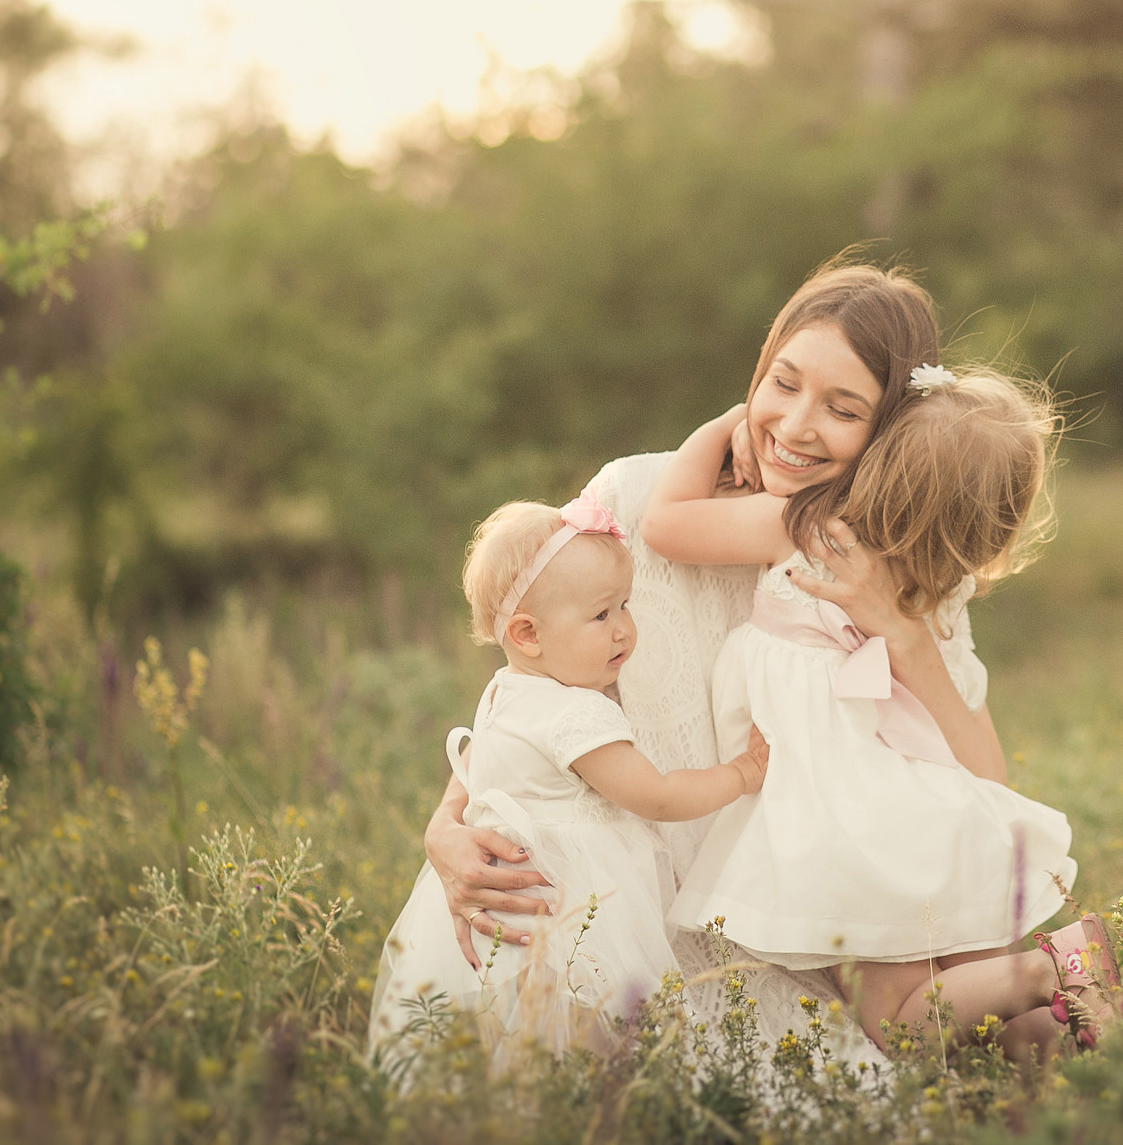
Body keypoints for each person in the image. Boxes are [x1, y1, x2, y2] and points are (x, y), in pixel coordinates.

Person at [415, 259, 1078, 1055]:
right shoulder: (634, 497)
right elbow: (531, 681)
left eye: (843, 408)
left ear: (893, 433)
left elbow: (984, 774)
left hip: (803, 909)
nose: (796, 426)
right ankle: (1072, 1001)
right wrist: (444, 824)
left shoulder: (885, 554)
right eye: (781, 383)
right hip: (646, 908)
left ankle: (1103, 1039)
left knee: (957, 1037)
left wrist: (899, 633)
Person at [648, 366, 1115, 1059]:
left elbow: (665, 523)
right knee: (1011, 1035)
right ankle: (1099, 1044)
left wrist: (732, 422)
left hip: (858, 840)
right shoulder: (938, 595)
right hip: (949, 824)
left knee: (899, 1022)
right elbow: (985, 768)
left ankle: (1052, 965)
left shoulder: (806, 530)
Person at [370, 493, 768, 1068]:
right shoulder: (576, 715)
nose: (624, 630)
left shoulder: (505, 691)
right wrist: (741, 772)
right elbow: (654, 796)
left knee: (511, 1048)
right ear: (529, 635)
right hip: (567, 911)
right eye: (602, 615)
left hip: (506, 915)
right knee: (596, 1037)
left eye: (625, 606)